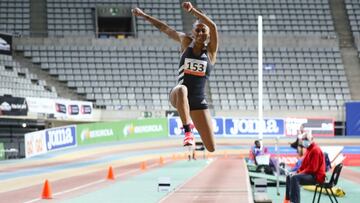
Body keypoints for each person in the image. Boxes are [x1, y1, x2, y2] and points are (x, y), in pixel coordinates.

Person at [132, 2, 218, 152]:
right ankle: (188, 131)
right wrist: (144, 16)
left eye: (203, 30)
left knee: (211, 148)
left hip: (197, 101)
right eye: (197, 30)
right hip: (178, 95)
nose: (199, 33)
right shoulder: (185, 42)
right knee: (182, 89)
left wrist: (193, 11)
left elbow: (214, 26)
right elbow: (165, 28)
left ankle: (192, 132)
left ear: (208, 34)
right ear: (192, 33)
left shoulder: (210, 53)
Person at [284, 131, 326, 203]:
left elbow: (313, 169)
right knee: (289, 175)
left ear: (312, 139)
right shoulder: (308, 150)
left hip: (317, 177)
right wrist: (296, 171)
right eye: (303, 139)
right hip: (311, 174)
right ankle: (287, 200)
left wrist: (297, 174)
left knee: (295, 178)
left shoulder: (315, 150)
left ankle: (295, 202)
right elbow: (304, 166)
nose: (304, 140)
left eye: (306, 138)